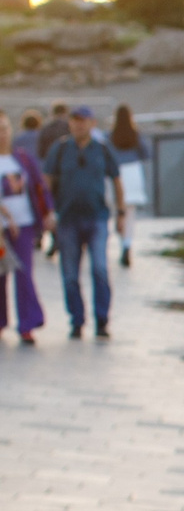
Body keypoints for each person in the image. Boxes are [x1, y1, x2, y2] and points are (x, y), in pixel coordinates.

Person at [44, 107, 125, 341]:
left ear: (92, 123)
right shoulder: (59, 150)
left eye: (83, 121)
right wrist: (47, 212)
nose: (79, 126)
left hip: (97, 217)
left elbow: (117, 180)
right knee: (70, 274)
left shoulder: (102, 149)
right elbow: (46, 183)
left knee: (99, 268)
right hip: (68, 219)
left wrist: (121, 212)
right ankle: (77, 320)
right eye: (75, 121)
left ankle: (102, 320)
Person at [0, 125, 45, 343]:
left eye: (4, 128)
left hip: (24, 225)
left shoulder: (22, 158)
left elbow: (39, 186)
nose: (2, 133)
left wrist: (47, 213)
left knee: (24, 273)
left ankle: (27, 324)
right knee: (1, 274)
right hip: (1, 230)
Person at [109, 104, 148, 267]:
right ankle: (127, 244)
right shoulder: (135, 135)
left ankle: (121, 242)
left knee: (118, 211)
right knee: (131, 213)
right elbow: (146, 153)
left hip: (116, 173)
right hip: (133, 172)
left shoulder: (109, 136)